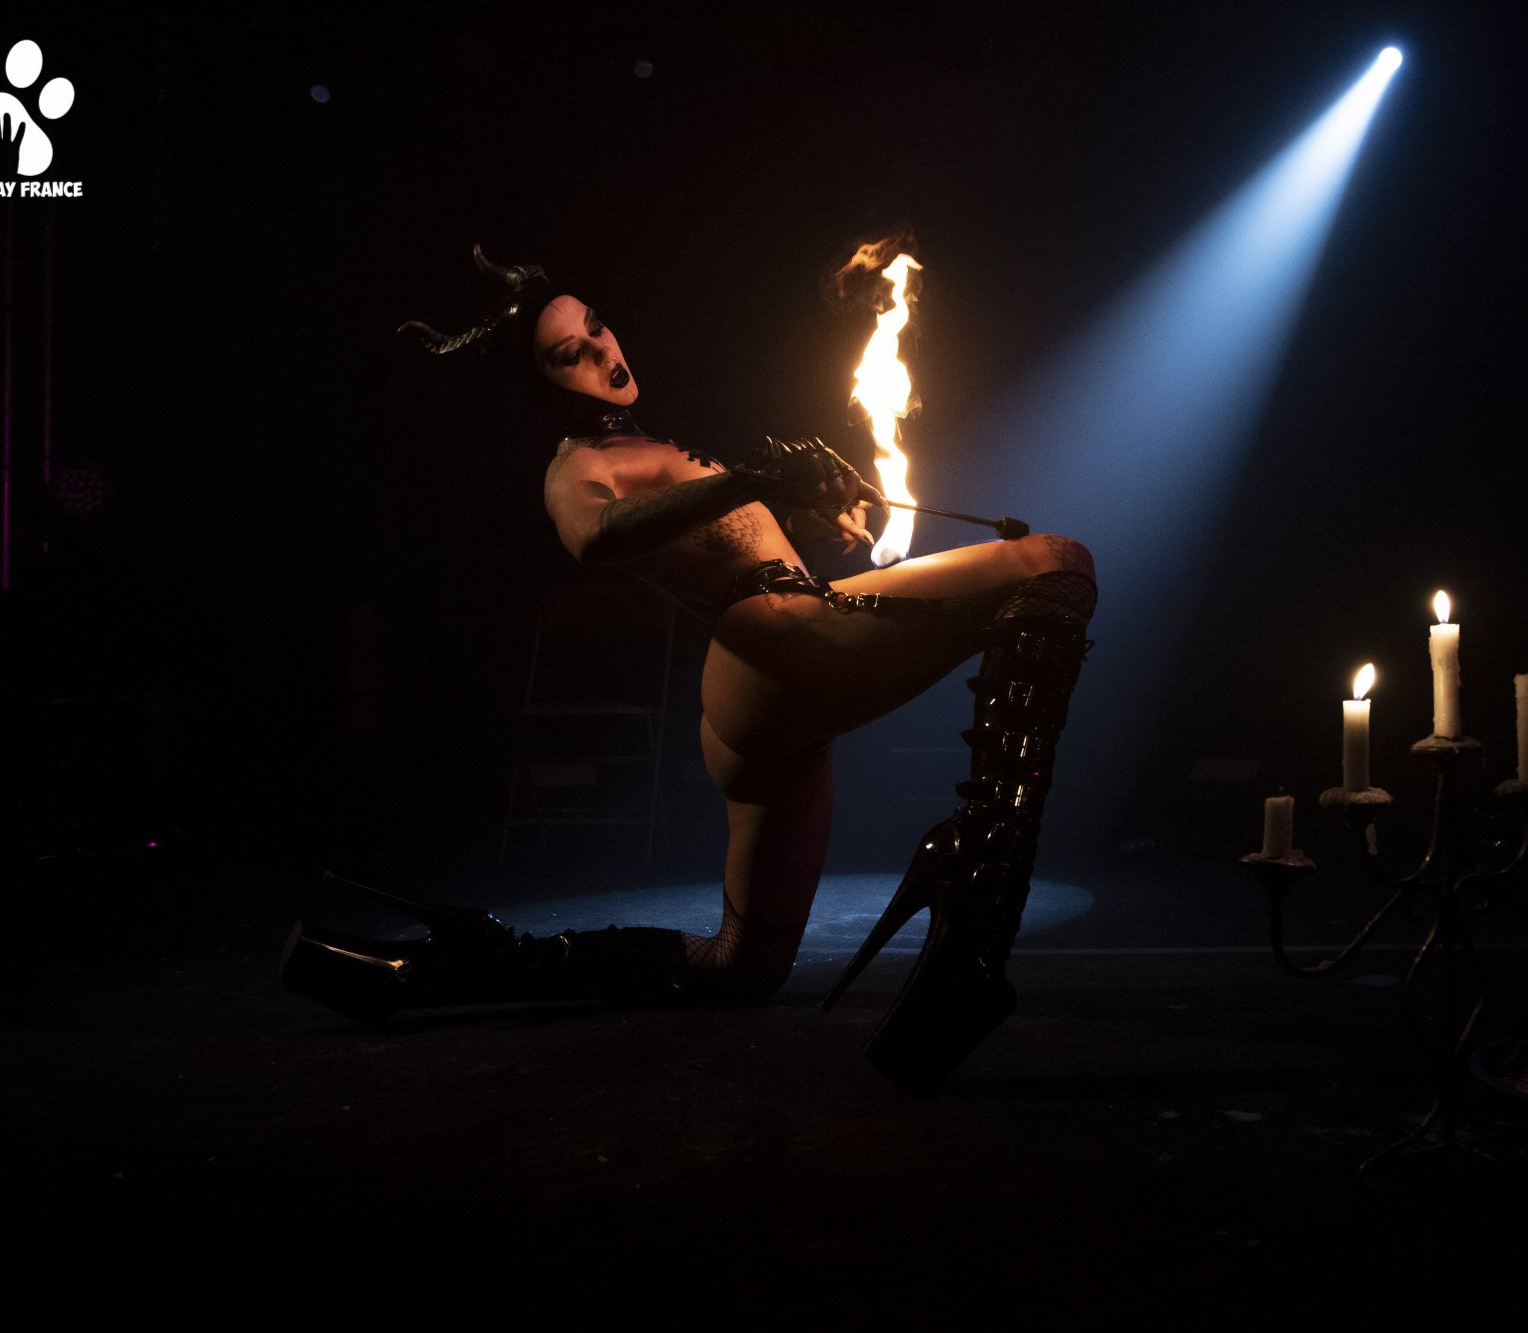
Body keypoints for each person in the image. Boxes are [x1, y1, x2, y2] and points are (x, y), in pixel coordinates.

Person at [282, 246, 1097, 1089]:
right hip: (772, 643)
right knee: (1054, 562)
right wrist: (750, 477)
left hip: (765, 695)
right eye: (570, 355)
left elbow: (725, 541)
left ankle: (442, 968)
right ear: (543, 385)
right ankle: (978, 905)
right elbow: (595, 537)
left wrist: (803, 510)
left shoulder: (652, 446)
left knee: (740, 966)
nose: (604, 353)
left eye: (597, 328)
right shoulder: (577, 468)